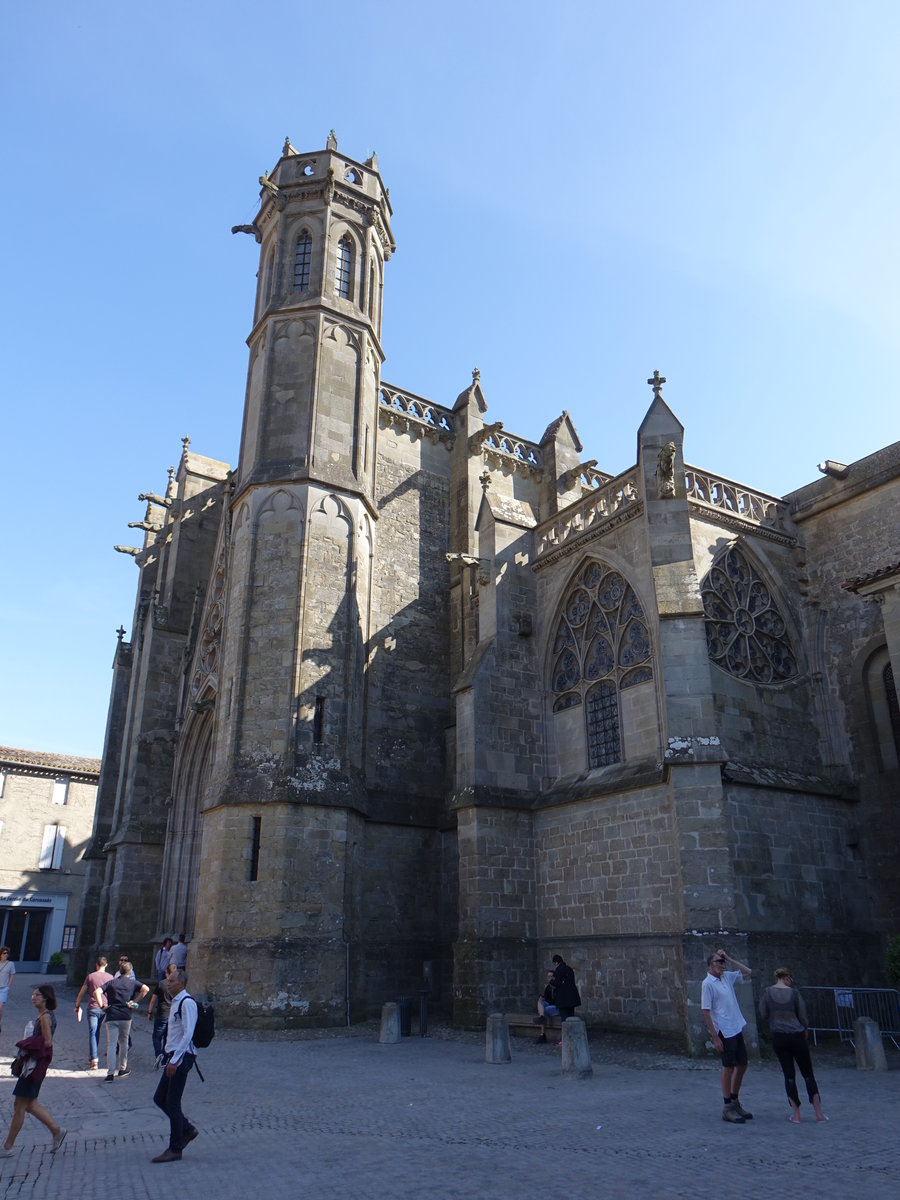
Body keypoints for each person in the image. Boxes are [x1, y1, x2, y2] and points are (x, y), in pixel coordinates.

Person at [0, 984, 66, 1158]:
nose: (33, 997)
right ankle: (56, 1131)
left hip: (34, 1066)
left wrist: (27, 1044)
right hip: (36, 1065)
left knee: (20, 1106)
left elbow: (47, 1042)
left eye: (37, 995)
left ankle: (7, 1146)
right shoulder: (44, 1016)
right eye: (33, 994)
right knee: (30, 1105)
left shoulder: (45, 1017)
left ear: (45, 998)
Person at [759, 967, 827, 1122]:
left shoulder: (767, 993)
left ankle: (796, 1115)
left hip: (779, 1036)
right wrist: (805, 1028)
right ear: (788, 977)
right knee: (808, 1074)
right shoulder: (794, 993)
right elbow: (802, 1015)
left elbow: (763, 1013)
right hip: (796, 1035)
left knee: (789, 1076)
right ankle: (819, 1114)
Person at [151, 967, 200, 1162]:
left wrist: (175, 1059)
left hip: (181, 1058)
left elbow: (188, 1034)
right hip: (174, 1056)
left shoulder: (187, 1003)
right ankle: (187, 1129)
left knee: (172, 1101)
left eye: (171, 981)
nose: (168, 983)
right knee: (160, 1098)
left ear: (181, 983)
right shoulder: (176, 1001)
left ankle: (175, 1148)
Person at [701, 948, 753, 1123]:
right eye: (719, 961)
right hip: (724, 1030)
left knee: (742, 1065)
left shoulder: (727, 977)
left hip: (736, 1027)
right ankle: (727, 1107)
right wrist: (715, 1037)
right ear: (711, 965)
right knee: (728, 1067)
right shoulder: (707, 984)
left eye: (722, 962)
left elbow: (748, 972)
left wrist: (729, 958)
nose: (722, 964)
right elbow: (706, 1011)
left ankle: (735, 1099)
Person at [100, 961, 149, 1081]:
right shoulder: (132, 983)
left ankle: (110, 1073)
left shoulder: (112, 983)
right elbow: (146, 989)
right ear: (130, 971)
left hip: (111, 1016)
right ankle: (122, 1068)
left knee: (111, 1045)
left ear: (119, 971)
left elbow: (97, 992)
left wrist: (102, 1006)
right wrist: (135, 1001)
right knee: (123, 1043)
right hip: (125, 1016)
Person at [74, 955, 114, 1069]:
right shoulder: (110, 977)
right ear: (106, 965)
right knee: (98, 1031)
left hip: (93, 1007)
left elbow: (82, 992)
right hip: (105, 1007)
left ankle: (94, 1059)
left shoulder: (90, 976)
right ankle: (94, 1055)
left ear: (96, 965)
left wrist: (77, 1005)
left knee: (93, 1032)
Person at [148, 962, 177, 1059]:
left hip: (162, 1013)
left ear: (166, 972)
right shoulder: (177, 985)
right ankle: (165, 1058)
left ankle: (158, 1053)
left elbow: (153, 1000)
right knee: (167, 1038)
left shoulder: (161, 984)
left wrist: (149, 1012)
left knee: (156, 1037)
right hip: (172, 1015)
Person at [534, 971, 559, 1044]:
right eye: (548, 976)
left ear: (554, 978)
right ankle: (542, 1016)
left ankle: (542, 1035)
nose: (550, 978)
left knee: (544, 1010)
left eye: (551, 976)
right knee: (540, 1002)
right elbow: (547, 999)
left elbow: (557, 1001)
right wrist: (542, 998)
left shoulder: (558, 986)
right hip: (550, 1006)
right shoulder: (548, 987)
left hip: (557, 1007)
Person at [0, 947, 14, 1034]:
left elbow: (12, 975)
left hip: (3, 988)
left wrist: (8, 986)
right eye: (4, 953)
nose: (6, 955)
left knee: (0, 1007)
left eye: (7, 953)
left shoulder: (10, 964)